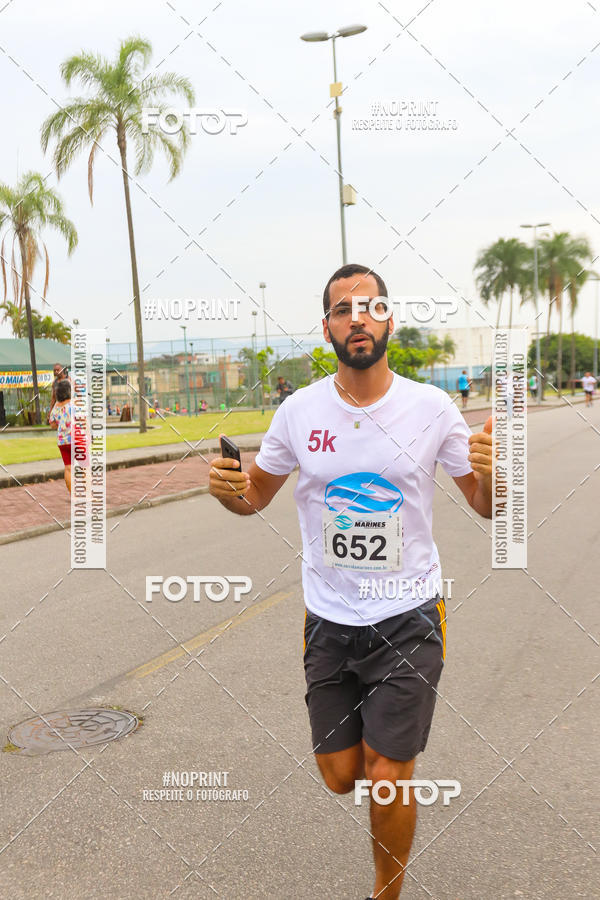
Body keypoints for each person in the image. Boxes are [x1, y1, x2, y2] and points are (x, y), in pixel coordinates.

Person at [209, 263, 493, 899]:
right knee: (341, 775)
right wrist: (228, 489)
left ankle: (386, 891)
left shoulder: (430, 407)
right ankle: (377, 760)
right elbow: (255, 495)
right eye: (343, 310)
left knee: (388, 772)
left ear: (388, 318)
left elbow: (483, 503)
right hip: (329, 620)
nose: (356, 319)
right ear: (328, 327)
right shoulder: (299, 410)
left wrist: (493, 473)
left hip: (409, 615)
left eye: (369, 307)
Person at [48, 379, 73, 493]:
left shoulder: (55, 408)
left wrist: (61, 422)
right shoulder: (74, 404)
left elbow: (52, 425)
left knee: (68, 468)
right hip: (76, 441)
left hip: (62, 442)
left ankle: (74, 496)